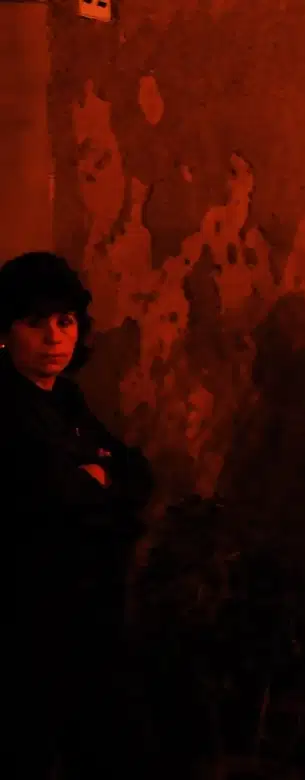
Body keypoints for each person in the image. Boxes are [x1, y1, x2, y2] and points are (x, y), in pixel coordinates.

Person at [1, 252, 154, 778]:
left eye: (64, 321)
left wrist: (102, 477)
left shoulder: (65, 398)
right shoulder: (7, 406)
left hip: (87, 613)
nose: (53, 337)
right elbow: (55, 493)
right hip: (31, 617)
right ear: (5, 331)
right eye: (34, 322)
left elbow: (137, 476)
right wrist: (93, 478)